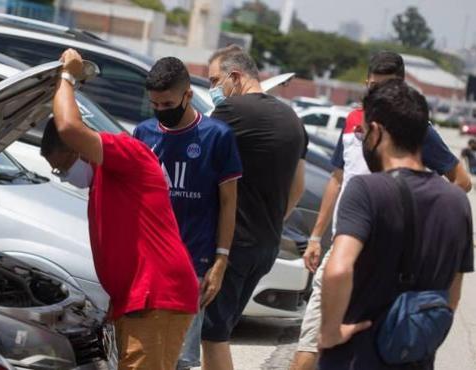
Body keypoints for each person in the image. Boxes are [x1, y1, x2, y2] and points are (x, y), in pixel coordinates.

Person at [290, 51, 473, 370]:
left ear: (375, 133)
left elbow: (339, 269)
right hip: (413, 356)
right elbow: (451, 297)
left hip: (354, 356)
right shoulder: (457, 205)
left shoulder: (366, 190)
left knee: (307, 347)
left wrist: (331, 332)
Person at [40, 48, 199, 370]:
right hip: (139, 299)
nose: (65, 175)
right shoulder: (105, 173)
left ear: (80, 149)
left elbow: (70, 127)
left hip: (157, 296)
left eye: (64, 166)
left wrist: (67, 77)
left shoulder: (127, 152)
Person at [132, 57, 242, 370]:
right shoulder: (143, 134)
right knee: (146, 352)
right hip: (149, 265)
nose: (161, 110)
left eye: (167, 102)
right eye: (154, 103)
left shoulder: (217, 136)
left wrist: (220, 261)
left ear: (188, 95)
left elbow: (228, 203)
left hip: (193, 265)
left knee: (180, 359)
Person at [202, 44, 306, 370]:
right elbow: (298, 188)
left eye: (215, 80)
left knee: (213, 335)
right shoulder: (292, 119)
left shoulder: (231, 111)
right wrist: (273, 219)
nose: (212, 89)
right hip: (266, 244)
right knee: (221, 331)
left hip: (231, 247)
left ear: (235, 76)